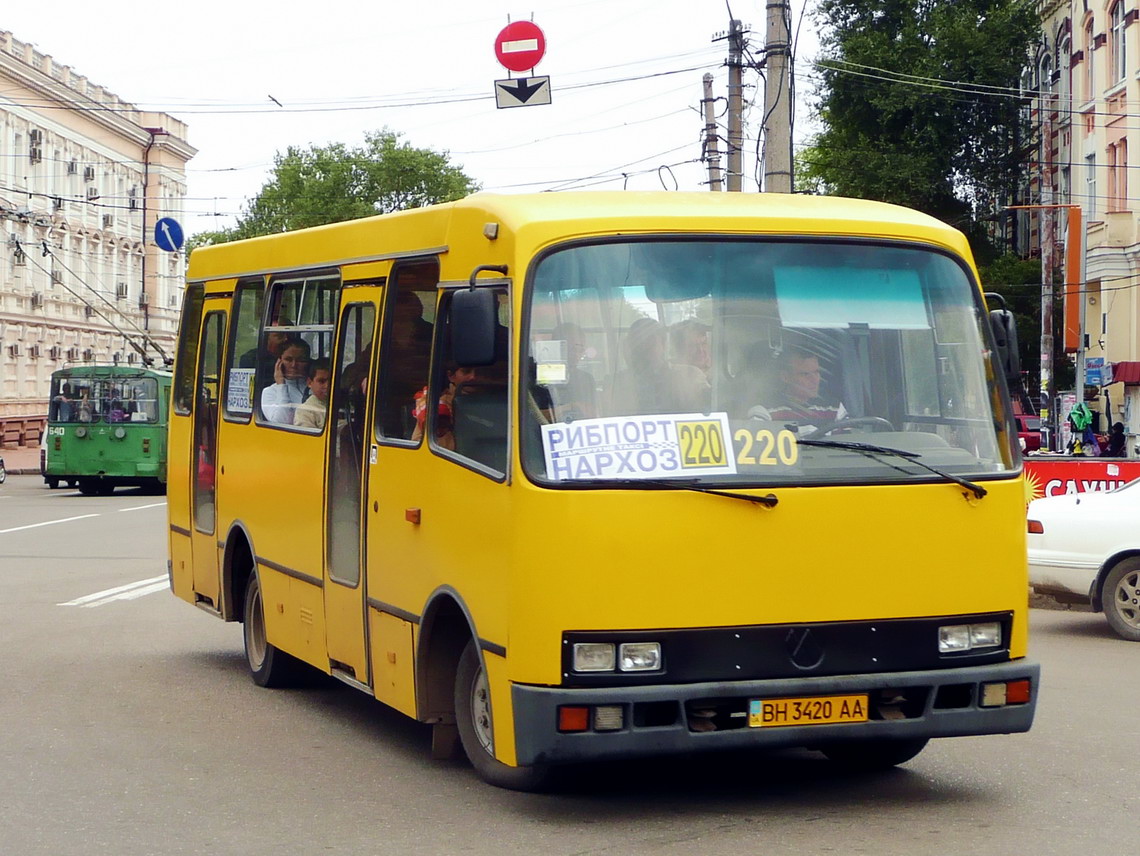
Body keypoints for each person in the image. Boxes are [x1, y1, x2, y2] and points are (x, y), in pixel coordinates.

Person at [607, 317, 709, 416]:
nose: (643, 347)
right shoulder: (616, 384)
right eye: (637, 342)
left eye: (649, 341)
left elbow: (706, 414)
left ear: (663, 344)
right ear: (628, 347)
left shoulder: (690, 376)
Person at [765, 345, 845, 429]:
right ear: (785, 377)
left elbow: (846, 440)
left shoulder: (834, 408)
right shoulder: (766, 412)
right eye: (805, 374)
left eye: (816, 372)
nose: (814, 379)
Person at [411, 362, 477, 451]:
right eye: (466, 372)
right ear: (450, 376)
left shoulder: (493, 402)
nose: (473, 377)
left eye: (479, 373)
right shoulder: (440, 407)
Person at [543, 321, 597, 421]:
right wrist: (571, 407)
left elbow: (594, 413)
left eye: (580, 349)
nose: (576, 354)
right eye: (571, 348)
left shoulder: (586, 379)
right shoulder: (541, 377)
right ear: (557, 346)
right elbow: (532, 416)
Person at [260, 339, 311, 424]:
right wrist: (281, 385)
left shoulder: (315, 387)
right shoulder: (270, 392)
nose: (294, 365)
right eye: (288, 360)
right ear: (279, 362)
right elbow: (281, 421)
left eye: (301, 360)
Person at [293, 358, 331, 431]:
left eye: (332, 381)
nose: (327, 385)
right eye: (321, 381)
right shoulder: (305, 411)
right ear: (309, 383)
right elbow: (307, 440)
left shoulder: (345, 404)